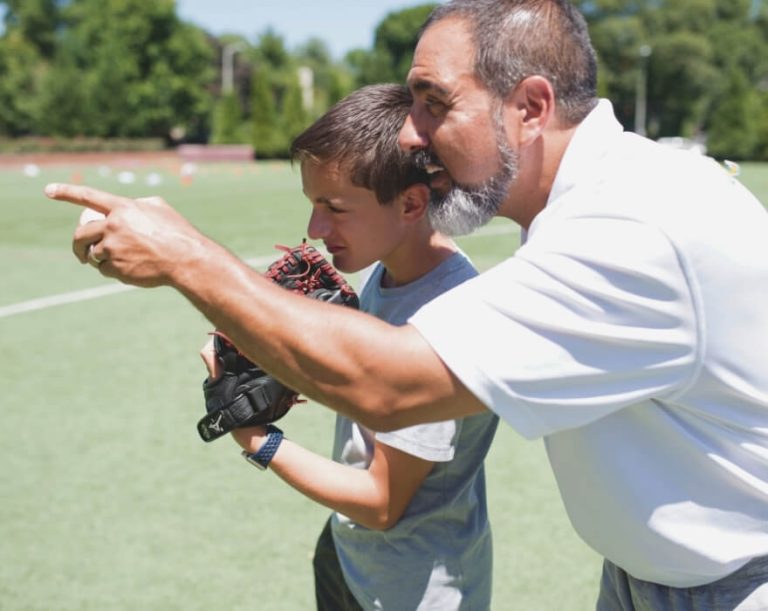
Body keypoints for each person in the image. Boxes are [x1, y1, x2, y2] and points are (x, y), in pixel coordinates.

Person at [45, 0, 768, 608]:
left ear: (529, 108)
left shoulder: (629, 230)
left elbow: (388, 387)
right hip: (649, 578)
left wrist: (186, 257)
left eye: (435, 103)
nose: (409, 133)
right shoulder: (606, 198)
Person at [200, 83, 498, 611]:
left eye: (334, 208)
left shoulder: (444, 323)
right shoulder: (388, 270)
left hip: (408, 590)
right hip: (349, 553)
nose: (315, 229)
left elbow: (382, 502)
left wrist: (254, 438)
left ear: (411, 203)